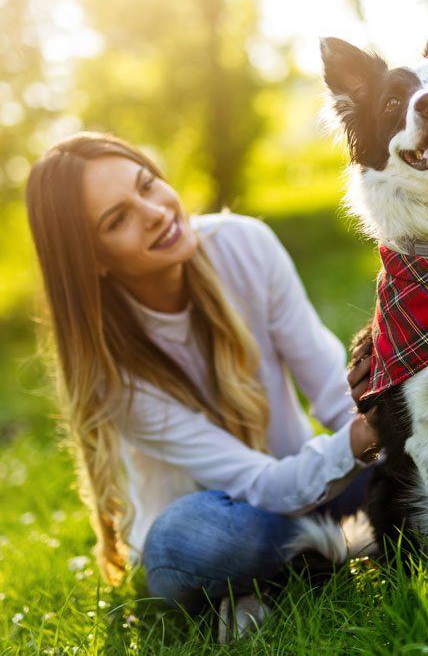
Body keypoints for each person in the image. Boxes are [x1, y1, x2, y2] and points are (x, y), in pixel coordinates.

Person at [25, 132, 378, 636]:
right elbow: (257, 485)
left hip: (314, 485)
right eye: (117, 219)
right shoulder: (113, 368)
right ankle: (335, 545)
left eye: (147, 185)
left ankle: (295, 567)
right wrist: (364, 438)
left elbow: (333, 394)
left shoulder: (244, 245)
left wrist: (377, 423)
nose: (152, 212)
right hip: (229, 525)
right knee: (190, 536)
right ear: (93, 260)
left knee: (423, 445)